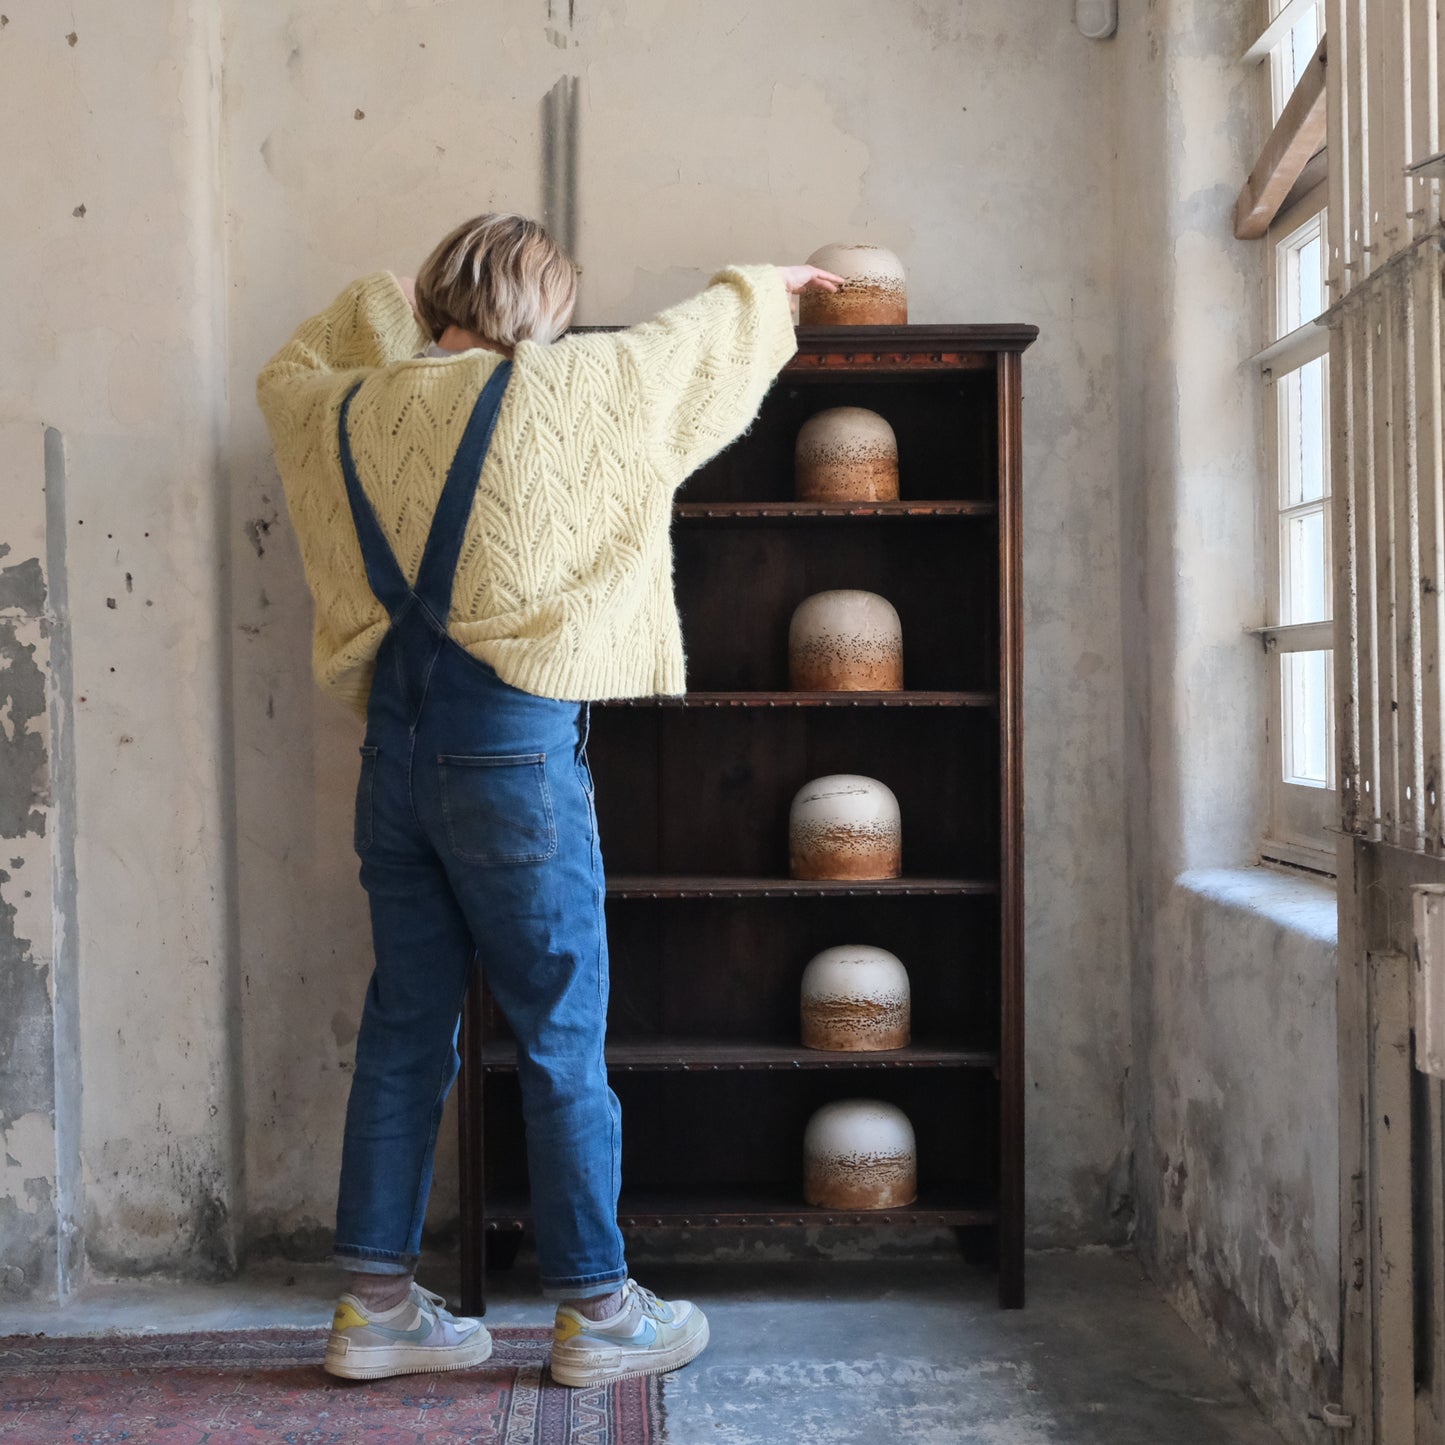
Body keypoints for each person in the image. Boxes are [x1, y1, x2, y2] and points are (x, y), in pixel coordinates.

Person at [256, 212, 842, 1387]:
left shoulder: (344, 406)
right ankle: (596, 1307)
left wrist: (397, 305)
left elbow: (286, 368)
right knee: (562, 1030)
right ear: (543, 308)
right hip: (512, 758)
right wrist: (770, 282)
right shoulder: (567, 391)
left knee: (406, 1023)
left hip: (396, 755)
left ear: (431, 301)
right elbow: (690, 348)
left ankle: (374, 1306)